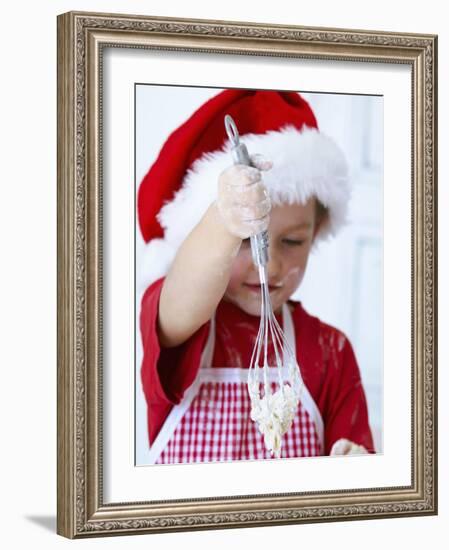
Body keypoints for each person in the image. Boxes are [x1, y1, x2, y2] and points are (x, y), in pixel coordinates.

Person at [137, 88, 375, 465]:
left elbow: (360, 475)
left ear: (318, 231)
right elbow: (184, 296)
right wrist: (222, 221)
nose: (272, 265)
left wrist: (355, 463)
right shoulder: (183, 324)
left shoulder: (331, 352)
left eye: (293, 241)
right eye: (245, 240)